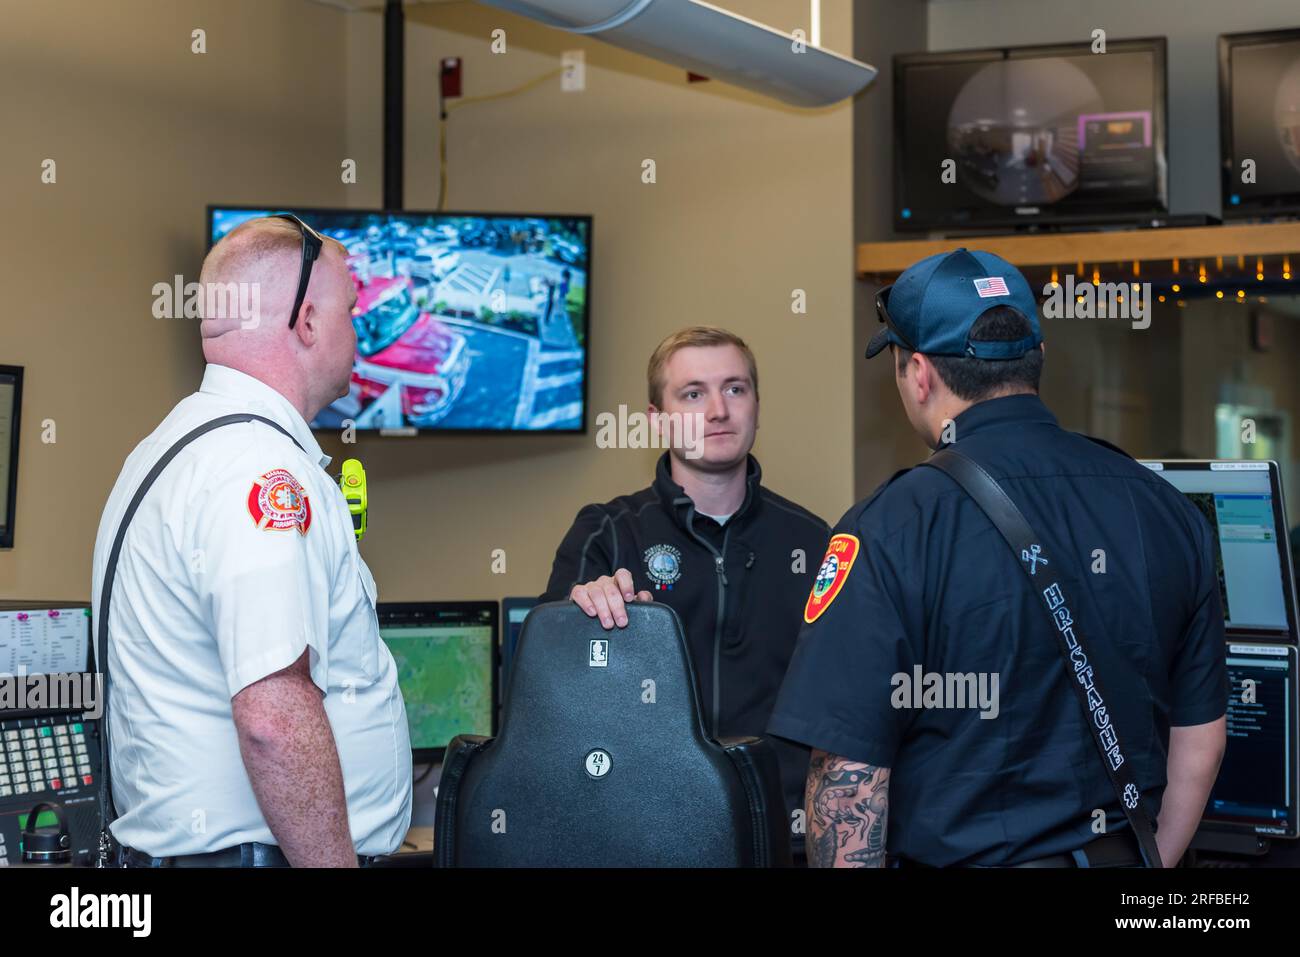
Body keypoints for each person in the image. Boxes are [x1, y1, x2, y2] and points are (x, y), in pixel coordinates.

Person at [768, 248, 1228, 868]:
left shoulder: (891, 527)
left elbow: (851, 776)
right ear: (1039, 359)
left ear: (920, 374)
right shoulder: (1167, 509)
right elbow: (1200, 741)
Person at [91, 215, 412, 867]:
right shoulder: (261, 470)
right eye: (351, 310)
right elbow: (273, 716)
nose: (360, 332)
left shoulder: (167, 452)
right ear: (308, 323)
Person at [542, 327, 830, 846]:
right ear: (657, 420)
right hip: (643, 834)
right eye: (693, 393)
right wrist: (585, 624)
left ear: (756, 406)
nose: (718, 410)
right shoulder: (606, 535)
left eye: (735, 388)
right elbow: (547, 693)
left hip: (783, 836)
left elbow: (847, 707)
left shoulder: (814, 541)